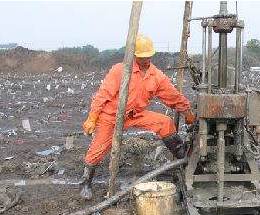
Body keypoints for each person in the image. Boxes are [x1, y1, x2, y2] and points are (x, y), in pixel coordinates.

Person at [80, 34, 196, 199]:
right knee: (98, 149)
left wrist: (187, 113)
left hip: (135, 114)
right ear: (135, 55)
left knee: (165, 123)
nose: (145, 59)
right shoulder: (120, 70)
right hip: (111, 115)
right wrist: (92, 117)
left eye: (148, 56)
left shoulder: (156, 76)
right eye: (142, 56)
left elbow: (172, 96)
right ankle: (85, 182)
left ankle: (184, 160)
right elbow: (102, 95)